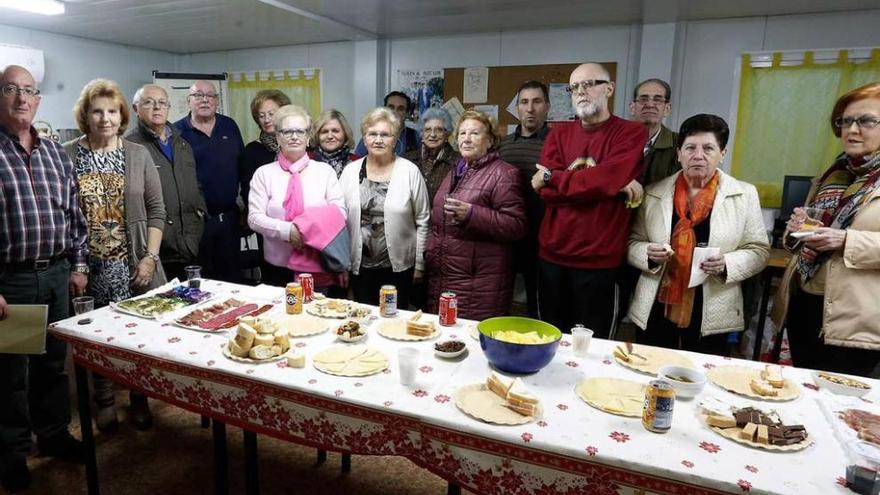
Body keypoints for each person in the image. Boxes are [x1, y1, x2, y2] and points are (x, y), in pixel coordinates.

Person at [0, 65, 88, 492]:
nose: (21, 98)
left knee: (54, 366)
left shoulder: (56, 153)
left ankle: (53, 436)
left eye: (29, 91)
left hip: (56, 275)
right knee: (11, 374)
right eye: (11, 90)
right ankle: (13, 454)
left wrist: (79, 266)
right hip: (12, 281)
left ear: (38, 100)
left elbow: (75, 217)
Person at [64, 79, 167, 432]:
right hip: (87, 266)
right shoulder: (67, 155)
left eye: (112, 111)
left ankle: (139, 398)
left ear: (122, 115)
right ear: (86, 115)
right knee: (96, 338)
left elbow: (156, 210)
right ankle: (104, 399)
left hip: (133, 263)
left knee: (135, 337)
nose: (105, 118)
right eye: (97, 111)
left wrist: (150, 258)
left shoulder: (138, 154)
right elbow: (62, 213)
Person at [627, 114, 769, 355]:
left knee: (702, 375)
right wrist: (647, 253)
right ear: (679, 153)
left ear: (722, 153)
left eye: (708, 148)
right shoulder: (653, 193)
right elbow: (632, 243)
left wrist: (727, 263)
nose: (698, 155)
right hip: (657, 304)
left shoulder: (744, 194)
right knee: (650, 367)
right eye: (690, 147)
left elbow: (759, 250)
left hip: (712, 303)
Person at [531, 62, 647, 336]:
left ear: (609, 88)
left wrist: (553, 178)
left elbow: (605, 180)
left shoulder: (630, 132)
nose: (581, 92)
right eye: (574, 87)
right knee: (548, 340)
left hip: (599, 263)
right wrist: (603, 186)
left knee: (594, 348)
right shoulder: (559, 133)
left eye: (589, 84)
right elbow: (548, 194)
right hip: (552, 257)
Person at [772, 82, 880, 377]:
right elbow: (806, 232)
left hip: (855, 317)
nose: (852, 129)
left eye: (866, 121)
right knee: (804, 389)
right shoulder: (832, 174)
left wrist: (846, 240)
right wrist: (796, 231)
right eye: (845, 121)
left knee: (840, 403)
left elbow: (843, 238)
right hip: (805, 303)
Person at [425, 110, 526, 320]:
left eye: (474, 133)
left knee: (471, 342)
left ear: (489, 141)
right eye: (462, 134)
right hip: (446, 277)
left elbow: (516, 226)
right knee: (446, 340)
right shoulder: (455, 171)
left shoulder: (504, 173)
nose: (467, 139)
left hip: (480, 285)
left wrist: (472, 214)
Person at [247, 104, 348, 291]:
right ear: (277, 137)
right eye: (287, 131)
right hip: (277, 267)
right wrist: (287, 230)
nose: (294, 136)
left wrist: (305, 228)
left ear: (308, 137)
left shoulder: (324, 172)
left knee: (317, 317)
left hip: (318, 265)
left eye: (300, 131)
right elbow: (254, 219)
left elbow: (339, 213)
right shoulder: (264, 174)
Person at [341, 108, 430, 308]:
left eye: (385, 134)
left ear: (395, 139)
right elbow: (340, 220)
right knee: (364, 319)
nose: (378, 140)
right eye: (372, 134)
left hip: (398, 267)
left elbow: (423, 221)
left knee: (395, 321)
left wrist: (420, 266)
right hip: (359, 267)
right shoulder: (350, 172)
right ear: (364, 138)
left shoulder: (409, 171)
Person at [126, 84, 206, 282]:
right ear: (136, 108)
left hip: (191, 242)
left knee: (195, 304)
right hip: (157, 248)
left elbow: (195, 186)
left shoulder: (182, 143)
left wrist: (201, 215)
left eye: (162, 103)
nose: (157, 108)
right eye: (149, 103)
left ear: (169, 107)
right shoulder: (129, 147)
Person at [175, 80, 244, 282]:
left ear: (217, 101)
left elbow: (241, 167)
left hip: (229, 220)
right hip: (194, 223)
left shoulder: (229, 126)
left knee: (232, 280)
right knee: (199, 282)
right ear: (188, 101)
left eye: (210, 95)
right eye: (198, 95)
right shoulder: (177, 132)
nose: (205, 99)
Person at [497, 80, 551, 318]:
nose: (530, 108)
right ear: (517, 108)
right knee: (500, 299)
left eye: (537, 102)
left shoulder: (557, 144)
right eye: (524, 102)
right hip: (506, 237)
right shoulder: (502, 145)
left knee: (538, 304)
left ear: (547, 106)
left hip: (542, 236)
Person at [240, 90, 292, 281]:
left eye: (272, 113)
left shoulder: (297, 146)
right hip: (268, 228)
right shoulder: (252, 151)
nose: (267, 119)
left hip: (298, 229)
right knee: (274, 281)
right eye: (261, 116)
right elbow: (248, 192)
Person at [404, 107, 460, 211]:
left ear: (447, 134)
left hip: (442, 222)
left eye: (439, 130)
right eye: (428, 130)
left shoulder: (458, 161)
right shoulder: (407, 159)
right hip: (411, 221)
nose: (432, 134)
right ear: (422, 133)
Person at [629, 78, 680, 186]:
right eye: (643, 99)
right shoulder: (612, 140)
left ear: (667, 109)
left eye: (657, 100)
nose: (650, 105)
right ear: (632, 107)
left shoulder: (680, 144)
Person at [354, 91, 420, 156]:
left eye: (400, 109)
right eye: (391, 107)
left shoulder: (414, 136)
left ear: (407, 113)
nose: (395, 112)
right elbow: (357, 160)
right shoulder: (372, 133)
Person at [309, 108, 359, 176]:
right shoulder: (308, 161)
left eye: (335, 131)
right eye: (324, 132)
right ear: (317, 135)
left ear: (345, 133)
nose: (330, 136)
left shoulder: (357, 162)